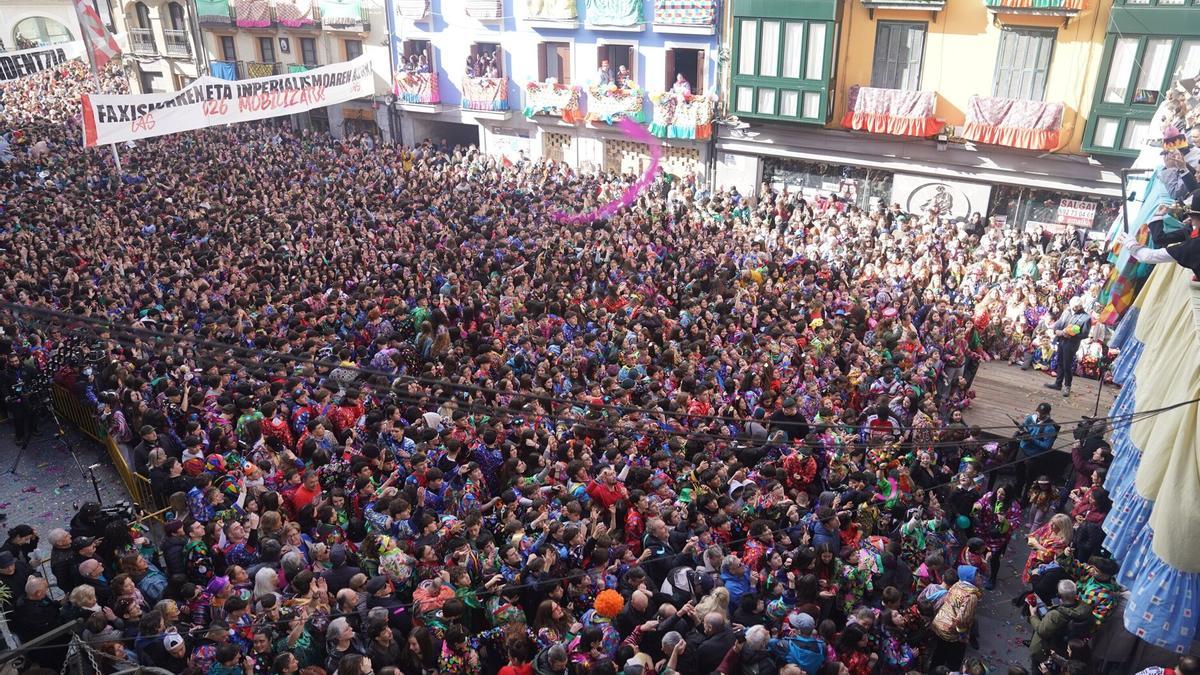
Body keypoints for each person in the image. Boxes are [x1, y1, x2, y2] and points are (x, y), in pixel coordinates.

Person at [1028, 579, 1093, 668]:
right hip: (1068, 649)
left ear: (1059, 595)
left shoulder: (1055, 615)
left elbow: (1041, 631)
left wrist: (1033, 614)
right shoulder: (1085, 609)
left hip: (1050, 650)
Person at [1044, 297, 1091, 397]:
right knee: (1060, 361)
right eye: (1073, 306)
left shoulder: (1086, 318)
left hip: (1071, 343)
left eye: (1076, 307)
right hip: (1061, 340)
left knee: (1067, 365)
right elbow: (1059, 323)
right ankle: (1058, 383)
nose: (1074, 308)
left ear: (1081, 305)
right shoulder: (1066, 312)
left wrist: (1071, 335)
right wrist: (1056, 330)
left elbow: (1085, 334)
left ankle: (1067, 386)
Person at [1014, 402, 1059, 497]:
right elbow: (1025, 428)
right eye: (1038, 412)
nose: (1039, 415)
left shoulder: (1049, 429)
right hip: (1022, 450)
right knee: (1018, 475)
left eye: (1042, 413)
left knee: (1030, 480)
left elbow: (1047, 446)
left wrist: (1032, 440)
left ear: (1047, 414)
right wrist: (1020, 432)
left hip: (1033, 456)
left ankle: (1025, 499)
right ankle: (1016, 494)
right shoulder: (1030, 418)